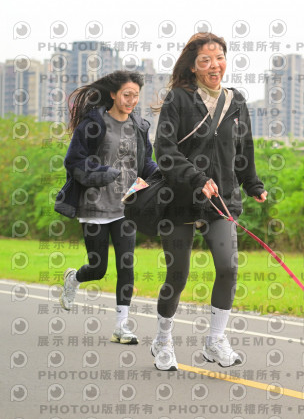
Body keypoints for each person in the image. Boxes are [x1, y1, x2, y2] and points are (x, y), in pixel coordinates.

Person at [151, 32, 267, 371]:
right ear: (193, 66)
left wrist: (252, 184)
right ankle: (163, 340)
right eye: (206, 60)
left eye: (219, 59)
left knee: (228, 268)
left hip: (221, 201)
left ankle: (214, 341)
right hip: (180, 199)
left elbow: (244, 150)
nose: (214, 65)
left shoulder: (236, 101)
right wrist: (197, 179)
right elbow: (164, 151)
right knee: (178, 275)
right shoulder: (178, 99)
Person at [55, 70, 158, 345]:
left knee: (126, 265)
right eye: (127, 95)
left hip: (126, 206)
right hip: (94, 206)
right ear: (113, 94)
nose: (131, 100)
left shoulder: (139, 125)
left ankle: (121, 327)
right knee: (98, 268)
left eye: (136, 95)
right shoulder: (93, 123)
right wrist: (104, 173)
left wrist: (160, 174)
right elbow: (74, 161)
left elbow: (145, 163)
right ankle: (74, 278)